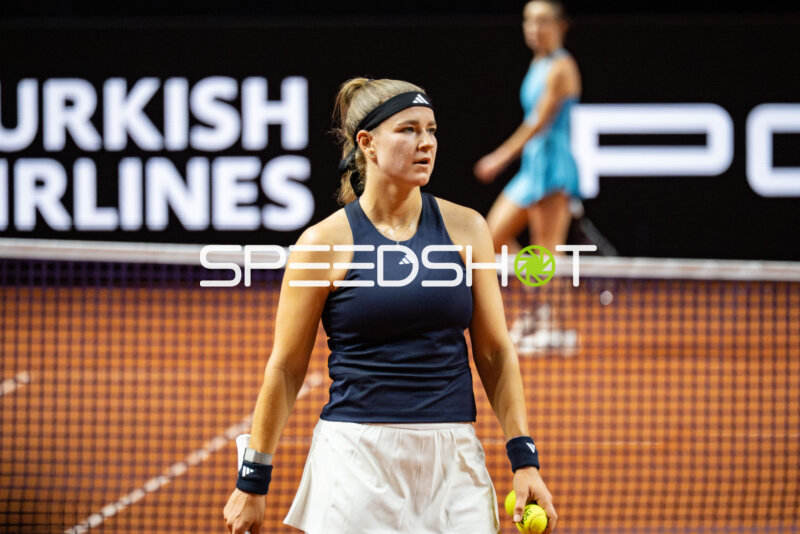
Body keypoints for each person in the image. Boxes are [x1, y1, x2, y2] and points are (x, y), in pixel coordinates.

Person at [223, 77, 557, 534]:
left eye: (431, 130)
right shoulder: (322, 243)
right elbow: (286, 368)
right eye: (409, 130)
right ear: (368, 143)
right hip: (355, 460)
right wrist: (252, 479)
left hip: (453, 460)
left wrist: (525, 459)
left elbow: (496, 353)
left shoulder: (468, 229)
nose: (426, 143)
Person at [474, 0, 581, 255]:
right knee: (491, 238)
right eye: (529, 20)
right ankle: (533, 278)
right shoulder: (539, 63)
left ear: (561, 26)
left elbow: (538, 122)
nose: (533, 28)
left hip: (553, 165)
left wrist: (500, 157)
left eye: (542, 21)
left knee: (547, 251)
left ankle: (545, 281)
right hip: (531, 166)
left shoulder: (562, 67)